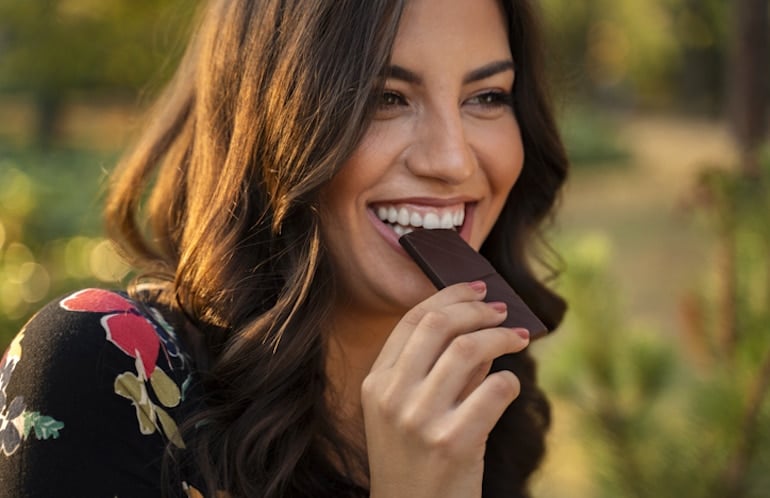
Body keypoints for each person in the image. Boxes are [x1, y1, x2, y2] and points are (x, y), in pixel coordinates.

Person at [0, 0, 568, 496]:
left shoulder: (484, 397)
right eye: (386, 98)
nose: (452, 161)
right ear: (270, 120)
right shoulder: (102, 371)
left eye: (488, 96)